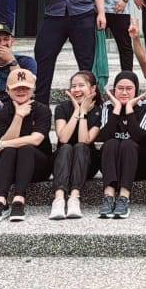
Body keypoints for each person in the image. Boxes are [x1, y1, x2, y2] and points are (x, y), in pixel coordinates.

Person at [0, 68, 53, 223]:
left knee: (26, 147)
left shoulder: (42, 110)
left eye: (25, 87)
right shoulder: (2, 112)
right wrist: (18, 115)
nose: (21, 91)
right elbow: (9, 140)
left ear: (33, 89)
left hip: (38, 166)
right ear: (7, 90)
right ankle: (0, 201)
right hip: (8, 166)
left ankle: (19, 200)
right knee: (10, 150)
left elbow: (36, 140)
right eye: (16, 88)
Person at [95, 72, 146, 219]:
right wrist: (116, 109)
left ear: (136, 90)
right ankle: (108, 197)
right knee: (111, 143)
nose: (124, 92)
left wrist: (128, 109)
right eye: (120, 88)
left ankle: (124, 198)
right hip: (112, 165)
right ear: (114, 90)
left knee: (128, 144)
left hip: (139, 165)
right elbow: (104, 136)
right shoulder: (108, 106)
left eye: (129, 88)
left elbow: (139, 137)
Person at [50, 71, 103, 220]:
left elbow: (84, 140)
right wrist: (76, 111)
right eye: (73, 86)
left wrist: (84, 113)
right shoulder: (62, 108)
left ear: (92, 89)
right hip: (62, 162)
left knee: (80, 147)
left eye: (81, 85)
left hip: (86, 163)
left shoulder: (98, 110)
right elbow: (64, 138)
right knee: (66, 147)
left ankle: (74, 198)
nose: (76, 89)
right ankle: (59, 199)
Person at [0, 23, 39, 94]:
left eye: (6, 39)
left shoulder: (27, 62)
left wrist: (11, 60)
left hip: (20, 99)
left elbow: (26, 90)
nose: (2, 43)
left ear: (12, 41)